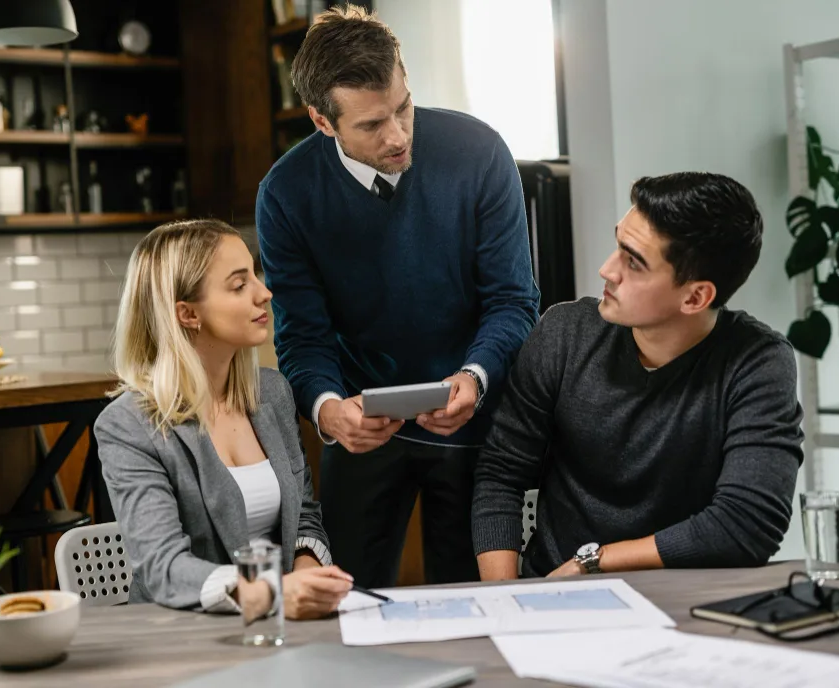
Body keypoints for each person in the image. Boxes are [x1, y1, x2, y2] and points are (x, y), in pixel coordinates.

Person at [256, 5, 540, 588]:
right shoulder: (286, 194)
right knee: (344, 601)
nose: (398, 135)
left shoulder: (480, 152)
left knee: (474, 602)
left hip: (476, 416)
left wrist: (475, 377)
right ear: (322, 121)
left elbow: (513, 300)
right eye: (371, 125)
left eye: (403, 107)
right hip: (362, 428)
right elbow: (302, 337)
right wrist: (329, 412)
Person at [473, 172, 805, 580]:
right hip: (556, 596)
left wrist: (592, 562)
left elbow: (747, 523)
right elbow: (500, 476)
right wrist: (508, 601)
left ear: (695, 296)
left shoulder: (757, 362)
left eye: (633, 261)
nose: (607, 270)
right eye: (618, 245)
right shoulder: (564, 334)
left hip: (686, 603)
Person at [95, 219, 352, 618]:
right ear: (187, 313)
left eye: (256, 275)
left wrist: (308, 578)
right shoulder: (128, 426)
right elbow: (164, 568)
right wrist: (271, 593)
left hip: (279, 628)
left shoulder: (272, 393)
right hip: (178, 637)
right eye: (239, 285)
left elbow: (303, 518)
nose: (264, 293)